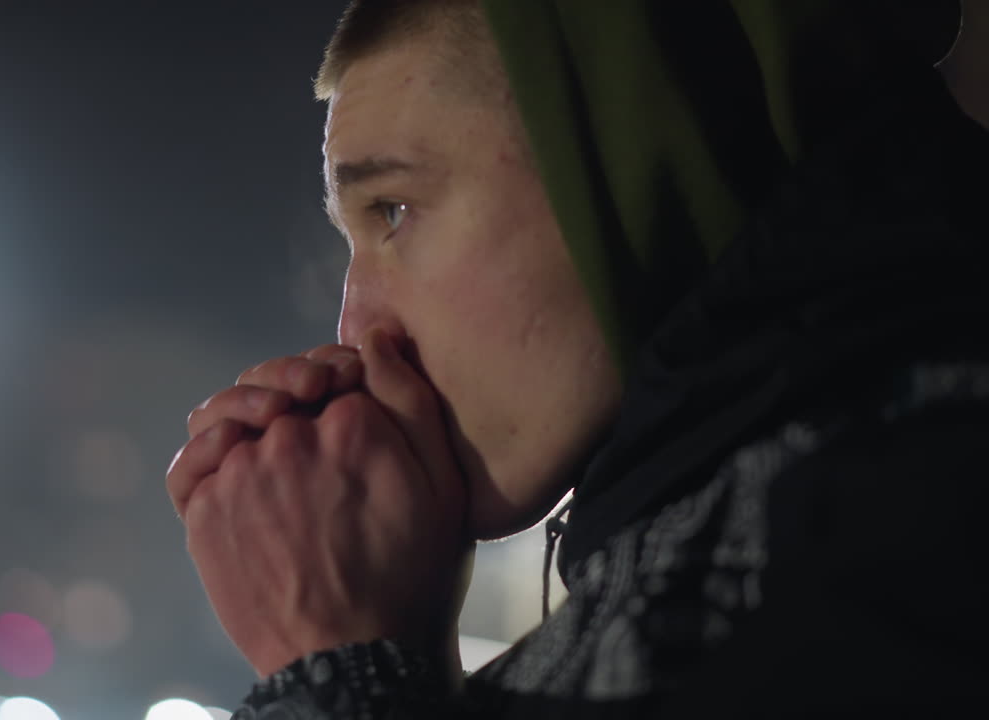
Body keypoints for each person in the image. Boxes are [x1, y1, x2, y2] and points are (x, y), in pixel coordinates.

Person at [166, 0, 989, 716]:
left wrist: (332, 670)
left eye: (395, 209)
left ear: (632, 149)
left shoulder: (892, 539)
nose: (358, 330)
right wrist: (403, 653)